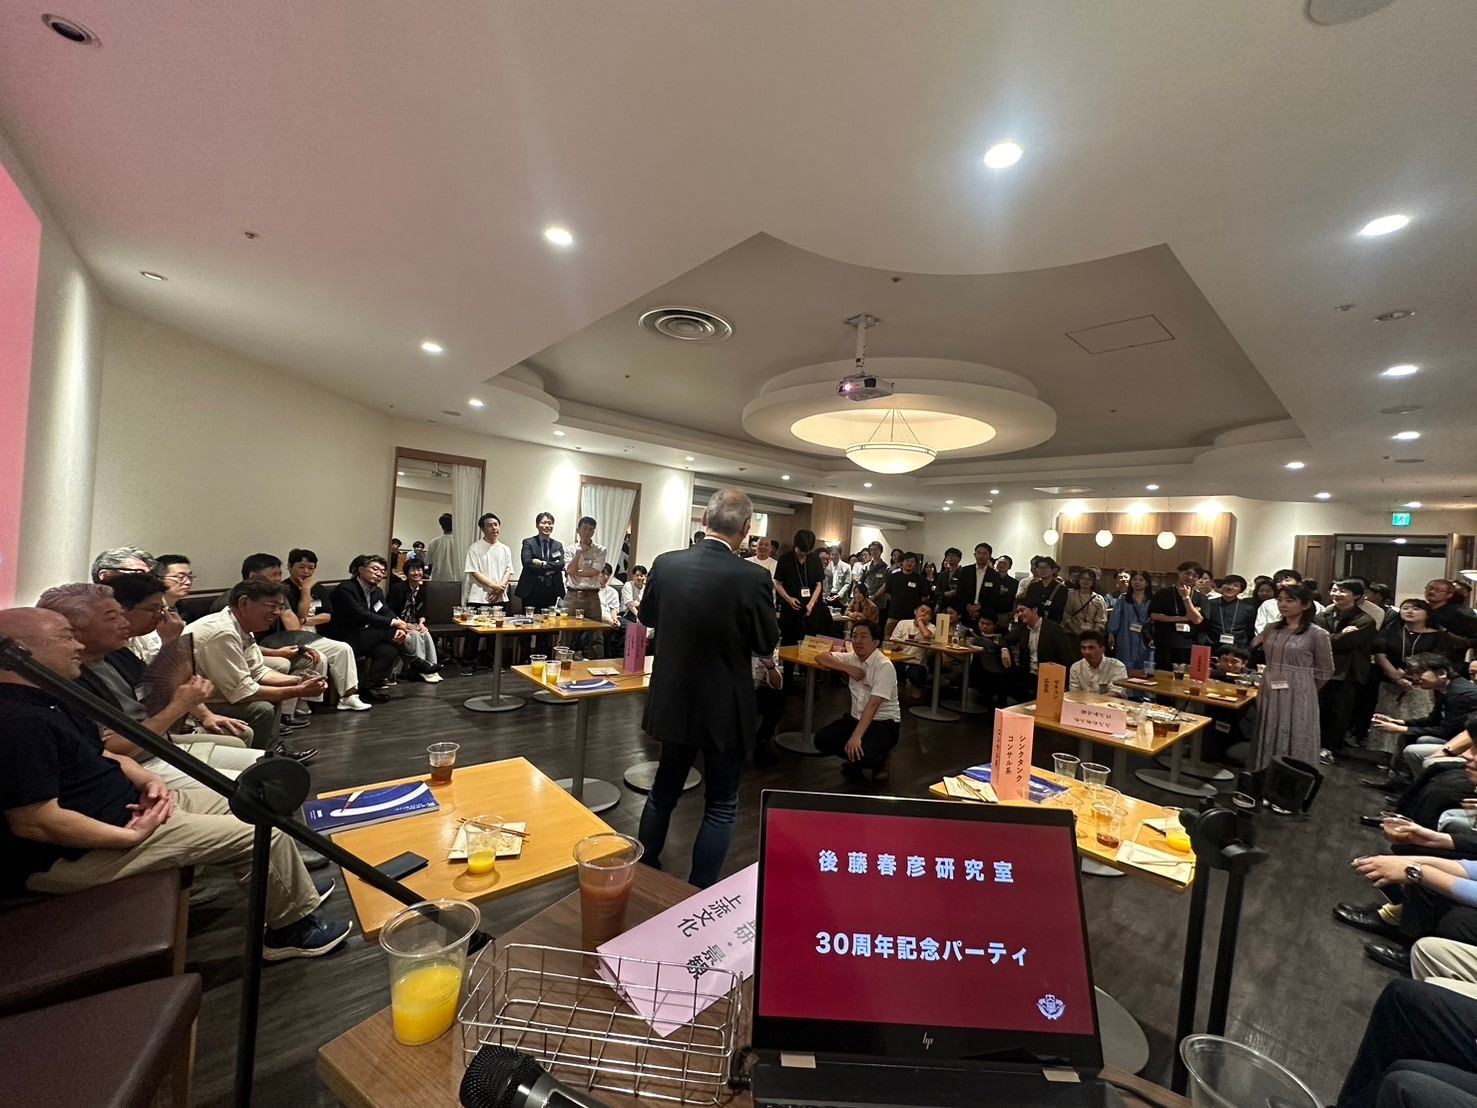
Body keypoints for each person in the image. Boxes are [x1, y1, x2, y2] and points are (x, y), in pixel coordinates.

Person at [0, 607, 349, 960]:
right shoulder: (17, 722)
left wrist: (148, 780)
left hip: (131, 804)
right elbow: (35, 822)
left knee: (253, 800)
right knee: (260, 834)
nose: (77, 644)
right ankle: (290, 932)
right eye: (65, 636)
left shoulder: (51, 698)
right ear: (17, 651)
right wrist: (129, 837)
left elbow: (105, 753)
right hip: (86, 848)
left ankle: (292, 892)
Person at [637, 488, 779, 888]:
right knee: (721, 802)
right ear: (746, 529)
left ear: (704, 520)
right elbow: (765, 643)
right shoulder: (754, 577)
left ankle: (644, 874)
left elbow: (647, 616)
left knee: (663, 790)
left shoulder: (666, 564)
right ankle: (698, 889)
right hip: (725, 704)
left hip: (674, 697)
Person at [37, 582, 263, 783]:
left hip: (159, 745)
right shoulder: (69, 679)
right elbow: (115, 749)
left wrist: (172, 645)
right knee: (255, 785)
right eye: (113, 618)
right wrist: (179, 705)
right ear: (75, 631)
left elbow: (163, 689)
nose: (124, 623)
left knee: (262, 764)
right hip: (139, 764)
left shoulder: (117, 654)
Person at [185, 579, 330, 760]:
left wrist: (299, 681)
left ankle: (270, 751)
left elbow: (258, 671)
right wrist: (298, 690)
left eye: (280, 607)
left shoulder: (241, 624)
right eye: (272, 606)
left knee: (274, 694)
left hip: (217, 690)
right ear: (244, 603)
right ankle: (257, 760)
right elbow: (243, 692)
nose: (277, 613)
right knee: (261, 709)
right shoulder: (222, 633)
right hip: (194, 703)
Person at [323, 555, 439, 695]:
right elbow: (361, 614)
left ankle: (367, 688)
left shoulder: (377, 591)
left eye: (382, 571)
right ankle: (415, 661)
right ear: (361, 569)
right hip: (343, 638)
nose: (379, 574)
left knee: (389, 651)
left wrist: (398, 625)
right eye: (375, 569)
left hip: (364, 637)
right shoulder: (346, 589)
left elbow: (385, 610)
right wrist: (395, 623)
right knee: (389, 632)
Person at [1249, 584, 1334, 772]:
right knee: (1268, 726)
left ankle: (1289, 778)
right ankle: (1262, 773)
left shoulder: (1317, 633)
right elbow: (1255, 646)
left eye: (1289, 600)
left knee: (1295, 730)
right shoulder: (1271, 628)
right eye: (1280, 600)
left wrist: (1306, 688)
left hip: (1300, 689)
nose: (1283, 604)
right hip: (1270, 683)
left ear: (1305, 605)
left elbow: (1325, 669)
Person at [812, 621, 902, 783]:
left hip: (883, 722)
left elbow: (873, 705)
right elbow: (820, 657)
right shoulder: (852, 658)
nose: (857, 641)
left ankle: (881, 759)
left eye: (863, 636)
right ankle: (857, 760)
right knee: (821, 740)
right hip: (856, 718)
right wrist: (846, 668)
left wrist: (856, 737)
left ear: (875, 642)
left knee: (863, 751)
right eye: (854, 636)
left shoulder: (884, 666)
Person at [1372, 655, 1477, 783]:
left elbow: (1446, 731)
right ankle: (1399, 782)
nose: (1416, 678)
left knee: (1414, 747)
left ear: (1442, 673)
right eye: (1413, 674)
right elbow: (1434, 720)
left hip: (1464, 742)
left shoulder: (1461, 693)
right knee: (1411, 737)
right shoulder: (1444, 688)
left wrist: (1400, 729)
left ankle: (1418, 787)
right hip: (1453, 736)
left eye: (1419, 673)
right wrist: (1400, 722)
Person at [1366, 601, 1447, 757]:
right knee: (1388, 717)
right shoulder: (1389, 631)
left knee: (1417, 717)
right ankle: (1386, 755)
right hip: (1390, 683)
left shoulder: (1438, 636)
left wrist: (1411, 674)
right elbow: (1380, 654)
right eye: (1405, 608)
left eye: (1416, 609)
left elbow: (1438, 660)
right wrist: (1395, 676)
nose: (1410, 611)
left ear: (1427, 614)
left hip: (1422, 685)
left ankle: (1407, 756)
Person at [1317, 580, 1380, 762]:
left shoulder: (1365, 620)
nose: (1336, 594)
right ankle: (1314, 743)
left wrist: (1334, 638)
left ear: (1357, 596)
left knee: (1340, 714)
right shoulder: (1322, 616)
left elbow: (1345, 643)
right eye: (1334, 590)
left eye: (1343, 591)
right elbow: (1317, 640)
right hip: (1321, 669)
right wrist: (1341, 634)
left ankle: (1330, 748)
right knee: (1319, 710)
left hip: (1347, 673)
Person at [1001, 602, 1077, 703]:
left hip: (1049, 677)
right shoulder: (1023, 628)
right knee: (1004, 683)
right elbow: (1004, 640)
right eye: (1018, 611)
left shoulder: (1053, 629)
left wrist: (1064, 683)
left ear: (1034, 609)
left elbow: (1067, 657)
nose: (1019, 614)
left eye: (1022, 610)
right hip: (1028, 673)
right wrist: (1004, 650)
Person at [387, 558, 443, 681]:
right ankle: (421, 669)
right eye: (412, 570)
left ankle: (432, 667)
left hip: (414, 622)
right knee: (416, 635)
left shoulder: (423, 590)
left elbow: (423, 610)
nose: (416, 573)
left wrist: (422, 623)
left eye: (419, 570)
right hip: (399, 623)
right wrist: (403, 624)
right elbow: (389, 610)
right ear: (407, 572)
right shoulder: (397, 588)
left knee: (425, 633)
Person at [773, 529, 826, 646]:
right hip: (790, 608)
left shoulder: (815, 560)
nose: (803, 554)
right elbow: (777, 583)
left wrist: (811, 604)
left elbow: (818, 584)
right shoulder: (785, 559)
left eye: (806, 552)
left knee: (809, 644)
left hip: (810, 609)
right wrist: (788, 598)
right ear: (795, 545)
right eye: (801, 551)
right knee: (789, 643)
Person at [1150, 560, 1206, 670]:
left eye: (1195, 576)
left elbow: (1197, 620)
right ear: (1179, 572)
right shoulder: (1162, 593)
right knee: (1162, 675)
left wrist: (1186, 598)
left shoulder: (1201, 598)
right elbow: (1154, 616)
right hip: (1165, 643)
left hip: (1190, 645)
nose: (1190, 577)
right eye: (1187, 573)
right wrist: (1184, 618)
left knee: (1185, 677)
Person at [516, 512, 566, 626]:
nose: (547, 526)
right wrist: (550, 568)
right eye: (544, 523)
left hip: (551, 588)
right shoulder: (529, 542)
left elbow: (561, 564)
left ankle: (544, 639)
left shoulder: (557, 545)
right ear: (537, 525)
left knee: (547, 622)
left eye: (550, 523)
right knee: (528, 622)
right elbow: (527, 563)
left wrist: (543, 564)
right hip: (531, 588)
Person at [888, 601, 947, 699]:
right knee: (892, 670)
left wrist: (920, 622)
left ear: (930, 618)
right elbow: (893, 644)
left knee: (916, 676)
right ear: (915, 611)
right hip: (899, 659)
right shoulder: (903, 623)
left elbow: (926, 635)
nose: (924, 614)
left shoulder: (931, 627)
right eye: (922, 611)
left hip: (917, 663)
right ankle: (899, 691)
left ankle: (915, 697)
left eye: (928, 613)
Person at [1107, 569, 1155, 673]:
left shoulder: (1152, 600)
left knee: (1146, 667)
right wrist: (1111, 633)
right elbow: (1115, 617)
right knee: (1124, 666)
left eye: (1141, 580)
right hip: (1126, 636)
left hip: (1145, 637)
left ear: (1147, 583)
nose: (1137, 582)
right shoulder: (1123, 599)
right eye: (1134, 579)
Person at [873, 551, 929, 639]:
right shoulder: (893, 577)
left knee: (907, 640)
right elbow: (888, 593)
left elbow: (924, 597)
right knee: (888, 639)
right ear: (901, 562)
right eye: (907, 561)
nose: (909, 563)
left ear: (915, 564)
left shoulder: (920, 579)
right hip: (894, 614)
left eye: (912, 562)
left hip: (911, 617)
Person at [949, 543, 1008, 625]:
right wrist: (968, 606)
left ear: (989, 556)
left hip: (986, 614)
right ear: (975, 554)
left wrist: (980, 607)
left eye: (984, 553)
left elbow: (994, 596)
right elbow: (960, 592)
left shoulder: (995, 575)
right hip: (966, 611)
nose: (981, 556)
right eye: (979, 553)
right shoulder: (965, 571)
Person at [562, 515, 607, 622]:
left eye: (590, 529)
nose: (587, 532)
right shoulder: (569, 549)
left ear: (593, 532)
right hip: (572, 595)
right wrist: (579, 553)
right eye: (585, 528)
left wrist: (574, 572)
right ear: (578, 530)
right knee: (566, 628)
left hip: (592, 596)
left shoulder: (600, 550)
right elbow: (569, 570)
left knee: (596, 630)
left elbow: (594, 571)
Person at [464, 512, 514, 608]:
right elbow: (474, 571)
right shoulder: (474, 548)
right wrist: (494, 586)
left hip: (500, 597)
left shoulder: (505, 549)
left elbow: (508, 571)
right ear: (482, 529)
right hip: (479, 597)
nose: (494, 528)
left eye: (496, 525)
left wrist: (500, 588)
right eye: (490, 525)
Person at [1199, 574, 1257, 650]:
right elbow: (1203, 626)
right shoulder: (1209, 604)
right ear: (1221, 586)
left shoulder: (1248, 608)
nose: (1230, 587)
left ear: (1241, 590)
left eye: (1235, 585)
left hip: (1238, 647)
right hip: (1211, 645)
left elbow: (1249, 630)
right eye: (1227, 584)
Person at [752, 645, 784, 769]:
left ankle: (762, 738)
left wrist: (770, 666)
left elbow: (777, 685)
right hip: (733, 692)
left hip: (754, 690)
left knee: (777, 697)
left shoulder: (766, 646)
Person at [1069, 630, 1128, 695]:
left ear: (1102, 649)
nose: (1087, 652)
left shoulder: (1117, 666)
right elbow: (1075, 693)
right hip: (1082, 701)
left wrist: (1094, 701)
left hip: (1109, 701)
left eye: (1091, 648)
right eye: (1083, 648)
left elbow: (1116, 693)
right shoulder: (1076, 667)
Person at [1019, 556, 1068, 624]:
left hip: (1051, 624)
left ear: (1053, 570)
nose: (1042, 570)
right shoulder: (1033, 586)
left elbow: (1058, 609)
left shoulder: (1061, 588)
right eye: (1039, 568)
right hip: (1032, 622)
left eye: (1046, 567)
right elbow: (1028, 604)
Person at [1255, 569, 1304, 633]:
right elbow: (1260, 626)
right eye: (1279, 581)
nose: (1283, 583)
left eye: (1287, 580)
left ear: (1299, 583)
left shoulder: (1309, 603)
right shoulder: (1267, 604)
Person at [1061, 568, 1108, 636]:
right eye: (1083, 578)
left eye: (1089, 579)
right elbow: (1065, 615)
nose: (1086, 581)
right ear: (1079, 580)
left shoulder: (1098, 598)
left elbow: (1101, 620)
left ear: (1093, 582)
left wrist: (1092, 634)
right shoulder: (1070, 595)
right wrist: (1076, 632)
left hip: (1091, 635)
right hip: (1071, 633)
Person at [89, 547, 154, 583]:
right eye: (139, 574)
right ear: (105, 576)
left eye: (149, 575)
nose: (149, 582)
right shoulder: (86, 602)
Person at [426, 513, 458, 583]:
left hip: (437, 579)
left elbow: (430, 562)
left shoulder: (434, 542)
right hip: (455, 580)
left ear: (442, 526)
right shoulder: (460, 542)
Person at [823, 544, 853, 609]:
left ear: (840, 554)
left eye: (836, 554)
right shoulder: (826, 565)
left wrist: (839, 595)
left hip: (840, 598)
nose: (834, 557)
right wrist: (825, 594)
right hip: (827, 596)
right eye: (832, 554)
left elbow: (847, 583)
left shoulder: (846, 566)